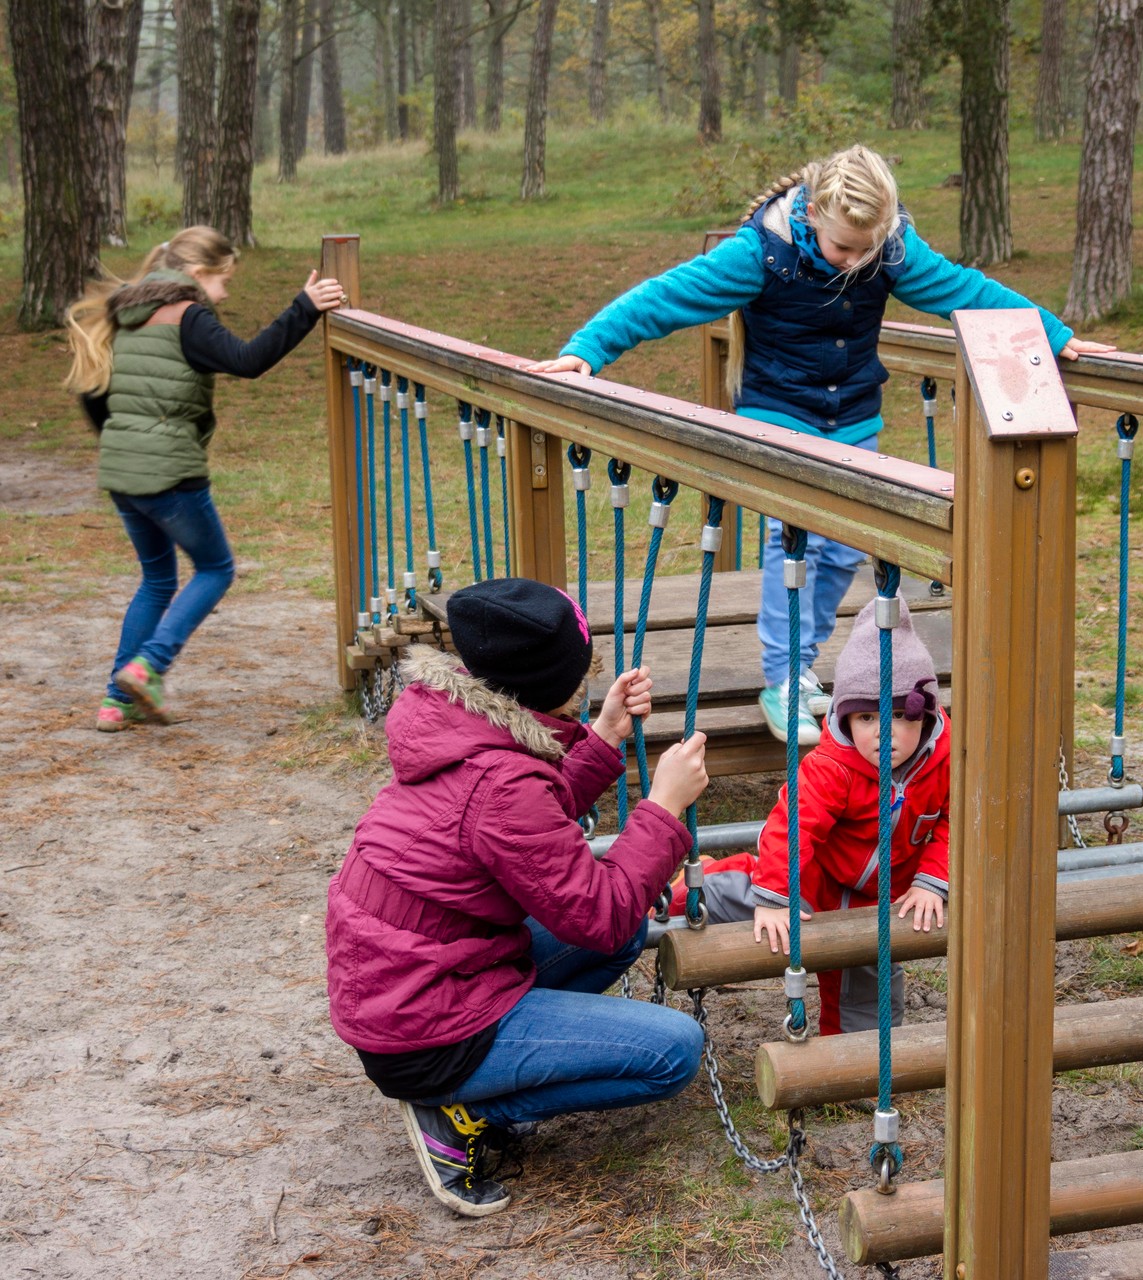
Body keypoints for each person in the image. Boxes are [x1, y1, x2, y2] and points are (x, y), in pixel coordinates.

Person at [529, 144, 1114, 746]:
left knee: (841, 553)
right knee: (796, 545)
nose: (856, 262)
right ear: (813, 216)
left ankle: (798, 665)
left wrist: (1052, 331)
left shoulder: (891, 250)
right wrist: (587, 350)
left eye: (867, 250)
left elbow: (965, 290)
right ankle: (780, 677)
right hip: (778, 413)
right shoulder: (761, 253)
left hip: (854, 415)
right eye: (844, 248)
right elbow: (666, 297)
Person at [325, 578, 709, 1217]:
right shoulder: (500, 782)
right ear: (548, 684)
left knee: (627, 936)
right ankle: (461, 1110)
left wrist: (604, 735)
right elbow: (597, 910)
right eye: (580, 672)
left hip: (413, 980)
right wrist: (664, 808)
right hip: (426, 1030)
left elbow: (531, 829)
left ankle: (497, 1066)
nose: (588, 682)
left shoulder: (461, 722)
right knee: (674, 1052)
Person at [64, 226, 345, 730]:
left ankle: (115, 701)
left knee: (156, 579)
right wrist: (305, 306)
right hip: (170, 473)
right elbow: (248, 360)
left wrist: (125, 441)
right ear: (197, 275)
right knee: (215, 568)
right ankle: (148, 666)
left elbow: (93, 392)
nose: (225, 293)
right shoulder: (187, 315)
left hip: (123, 473)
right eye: (224, 281)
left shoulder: (127, 313)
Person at [667, 600, 948, 1036]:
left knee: (871, 992)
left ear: (924, 715)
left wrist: (932, 878)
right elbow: (792, 827)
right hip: (813, 878)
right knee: (743, 899)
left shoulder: (944, 761)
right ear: (844, 716)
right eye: (867, 717)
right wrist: (778, 895)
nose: (882, 732)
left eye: (897, 717)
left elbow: (955, 819)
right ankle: (679, 892)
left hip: (881, 898)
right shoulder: (833, 766)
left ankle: (856, 1068)